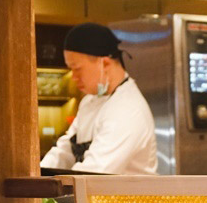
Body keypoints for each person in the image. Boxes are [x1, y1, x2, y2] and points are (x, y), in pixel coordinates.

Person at [41, 22, 157, 174]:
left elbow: (94, 173)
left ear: (105, 63)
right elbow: (65, 150)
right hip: (96, 196)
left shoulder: (127, 109)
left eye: (77, 69)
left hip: (126, 197)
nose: (73, 77)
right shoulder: (89, 101)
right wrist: (38, 177)